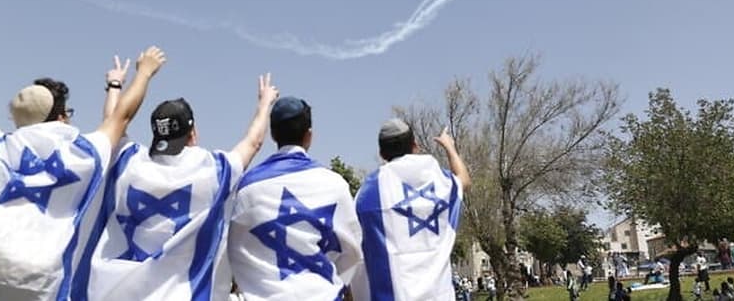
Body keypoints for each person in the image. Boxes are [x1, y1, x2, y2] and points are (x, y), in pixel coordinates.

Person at [0, 36, 165, 300]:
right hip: (39, 276)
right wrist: (143, 73)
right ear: (60, 116)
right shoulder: (82, 154)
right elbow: (120, 117)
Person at [74, 74, 280, 300]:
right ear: (192, 134)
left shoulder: (128, 161)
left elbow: (113, 122)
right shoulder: (213, 171)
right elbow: (254, 142)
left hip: (113, 291)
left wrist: (115, 86)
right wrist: (264, 104)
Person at [227, 96, 363, 300]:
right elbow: (351, 251)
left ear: (273, 134)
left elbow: (235, 251)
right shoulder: (334, 184)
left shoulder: (247, 187)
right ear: (309, 135)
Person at [351, 119, 470, 300]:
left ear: (382, 153)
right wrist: (449, 147)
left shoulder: (370, 191)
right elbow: (463, 179)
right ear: (415, 145)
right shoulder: (438, 179)